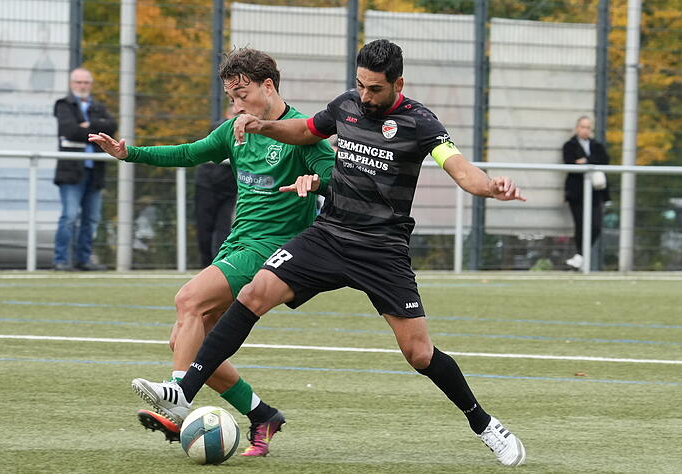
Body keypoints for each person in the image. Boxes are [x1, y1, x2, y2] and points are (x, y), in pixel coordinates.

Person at [131, 40, 528, 467]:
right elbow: (303, 131)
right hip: (329, 236)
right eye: (360, 85)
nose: (365, 96)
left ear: (399, 83)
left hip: (381, 250)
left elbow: (459, 168)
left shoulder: (421, 122)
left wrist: (489, 186)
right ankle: (182, 392)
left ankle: (484, 424)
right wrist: (262, 126)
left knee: (420, 354)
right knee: (254, 293)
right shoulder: (345, 106)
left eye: (375, 89)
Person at [89, 47, 335, 456]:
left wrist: (317, 181)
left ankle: (178, 396)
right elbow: (188, 152)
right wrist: (128, 153)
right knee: (190, 341)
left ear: (268, 86)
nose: (237, 105)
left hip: (272, 249)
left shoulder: (299, 130)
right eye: (232, 97)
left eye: (243, 94)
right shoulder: (235, 130)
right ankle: (262, 415)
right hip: (237, 243)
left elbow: (332, 175)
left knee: (188, 299)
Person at [53, 67, 117, 271]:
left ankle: (84, 259)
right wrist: (95, 128)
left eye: (86, 82)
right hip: (71, 172)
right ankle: (61, 260)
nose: (82, 86)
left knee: (91, 219)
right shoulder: (63, 105)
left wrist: (85, 125)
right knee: (69, 217)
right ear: (72, 84)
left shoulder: (98, 107)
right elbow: (69, 130)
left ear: (91, 84)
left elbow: (111, 126)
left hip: (94, 171)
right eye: (78, 82)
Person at [562, 116, 610, 270]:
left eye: (588, 127)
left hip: (595, 193)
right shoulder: (570, 145)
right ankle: (580, 257)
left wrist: (586, 161)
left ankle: (580, 255)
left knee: (596, 226)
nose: (585, 130)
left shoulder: (596, 145)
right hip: (577, 192)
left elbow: (604, 159)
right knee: (581, 225)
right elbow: (569, 162)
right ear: (577, 128)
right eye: (583, 127)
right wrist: (589, 162)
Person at [194, 111, 238, 267]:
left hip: (229, 189)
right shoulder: (218, 127)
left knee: (223, 228)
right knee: (204, 227)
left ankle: (218, 266)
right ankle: (205, 264)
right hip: (207, 185)